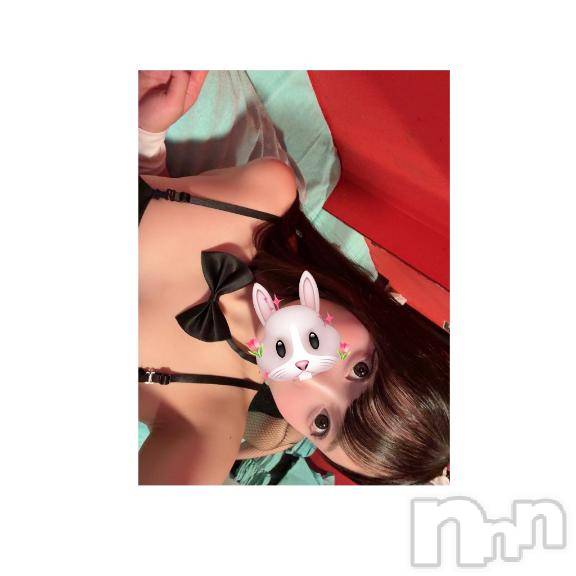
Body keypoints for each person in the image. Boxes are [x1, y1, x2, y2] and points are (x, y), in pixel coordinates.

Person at [138, 70, 449, 485]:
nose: (310, 375)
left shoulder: (206, 424)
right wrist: (146, 136)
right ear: (381, 319)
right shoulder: (268, 195)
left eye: (321, 423)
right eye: (360, 370)